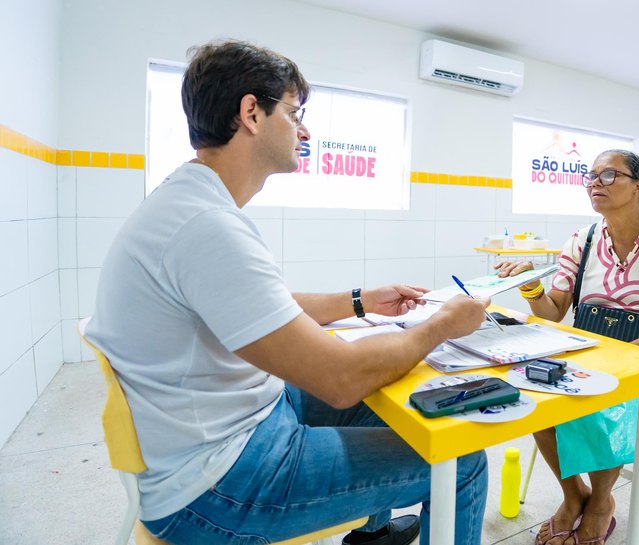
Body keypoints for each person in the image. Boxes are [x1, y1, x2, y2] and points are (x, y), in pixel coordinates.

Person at [85, 40, 489, 545]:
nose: (305, 130)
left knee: (400, 399)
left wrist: (360, 300)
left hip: (229, 428)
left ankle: (374, 532)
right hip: (220, 486)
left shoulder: (190, 203)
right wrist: (444, 324)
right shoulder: (207, 226)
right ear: (251, 113)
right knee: (461, 457)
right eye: (294, 113)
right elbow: (340, 379)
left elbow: (264, 306)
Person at [495, 149, 639, 545]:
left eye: (609, 175)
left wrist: (623, 358)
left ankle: (600, 504)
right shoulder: (583, 240)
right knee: (534, 400)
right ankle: (573, 495)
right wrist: (532, 285)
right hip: (594, 359)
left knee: (608, 401)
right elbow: (554, 312)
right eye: (591, 175)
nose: (595, 182)